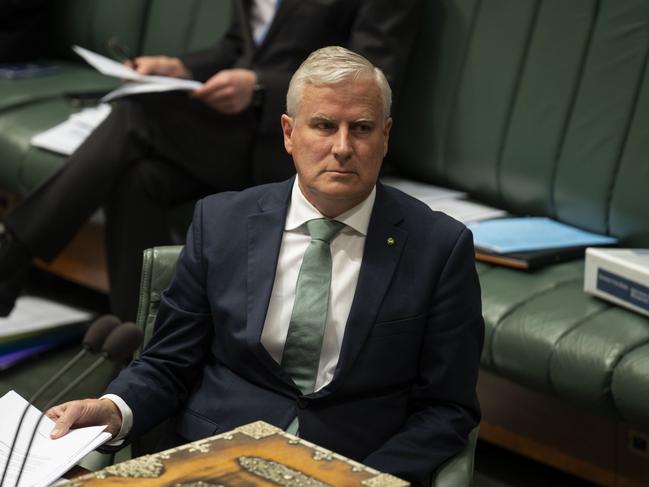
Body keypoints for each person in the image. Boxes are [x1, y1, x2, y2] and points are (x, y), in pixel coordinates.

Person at [46, 46, 484, 486]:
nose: (343, 147)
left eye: (363, 128)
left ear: (386, 136)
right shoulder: (220, 223)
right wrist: (113, 409)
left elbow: (447, 408)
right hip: (213, 462)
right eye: (325, 125)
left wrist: (369, 479)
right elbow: (168, 364)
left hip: (352, 465)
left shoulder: (438, 248)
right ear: (289, 133)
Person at [0, 0, 421, 320]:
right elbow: (240, 46)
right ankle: (139, 342)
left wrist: (258, 85)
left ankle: (13, 251)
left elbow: (372, 71)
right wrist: (180, 67)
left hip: (311, 146)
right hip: (239, 134)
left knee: (138, 114)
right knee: (139, 177)